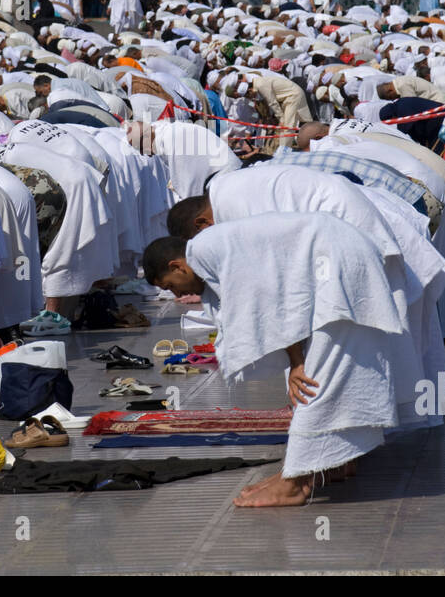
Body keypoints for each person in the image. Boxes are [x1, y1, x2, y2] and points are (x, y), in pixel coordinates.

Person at [142, 212, 406, 506]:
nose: (178, 293)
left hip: (336, 259)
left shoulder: (206, 252)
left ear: (176, 266)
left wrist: (296, 361)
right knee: (335, 368)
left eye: (170, 285)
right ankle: (328, 464)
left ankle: (293, 483)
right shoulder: (211, 250)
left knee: (315, 377)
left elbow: (274, 301)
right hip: (337, 254)